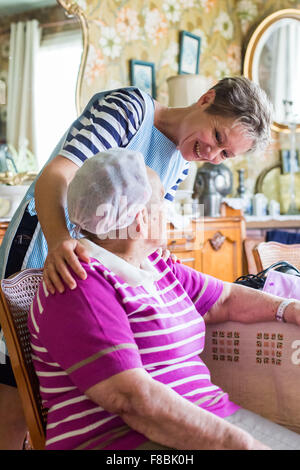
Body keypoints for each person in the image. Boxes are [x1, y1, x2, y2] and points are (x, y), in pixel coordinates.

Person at [0, 76, 272, 449]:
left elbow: (147, 236)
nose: (213, 155)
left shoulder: (182, 158)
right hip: (47, 240)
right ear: (206, 99)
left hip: (100, 274)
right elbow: (58, 175)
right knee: (19, 394)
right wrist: (60, 241)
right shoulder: (131, 109)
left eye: (225, 155)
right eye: (219, 137)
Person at [28, 149, 300, 450]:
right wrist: (237, 443)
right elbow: (132, 400)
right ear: (141, 219)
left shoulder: (155, 263)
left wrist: (288, 308)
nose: (169, 211)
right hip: (128, 442)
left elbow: (224, 299)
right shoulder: (79, 284)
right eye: (163, 201)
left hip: (211, 418)